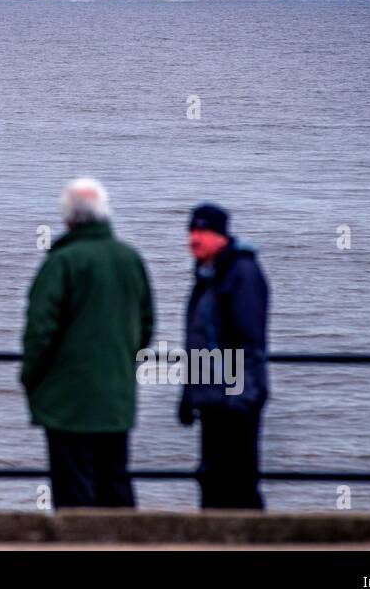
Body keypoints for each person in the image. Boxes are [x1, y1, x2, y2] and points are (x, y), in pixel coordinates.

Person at [22, 179, 154, 509]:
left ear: (67, 217)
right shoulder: (130, 258)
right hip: (116, 397)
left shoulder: (62, 262)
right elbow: (147, 326)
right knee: (115, 480)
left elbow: (39, 333)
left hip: (67, 402)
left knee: (73, 488)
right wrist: (123, 364)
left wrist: (31, 379)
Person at [177, 202, 270, 509]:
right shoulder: (209, 275)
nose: (194, 238)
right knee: (212, 482)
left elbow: (248, 343)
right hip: (212, 399)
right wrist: (190, 395)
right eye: (191, 230)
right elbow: (201, 341)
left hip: (234, 402)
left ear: (221, 235)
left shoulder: (241, 273)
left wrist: (239, 398)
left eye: (202, 231)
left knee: (238, 487)